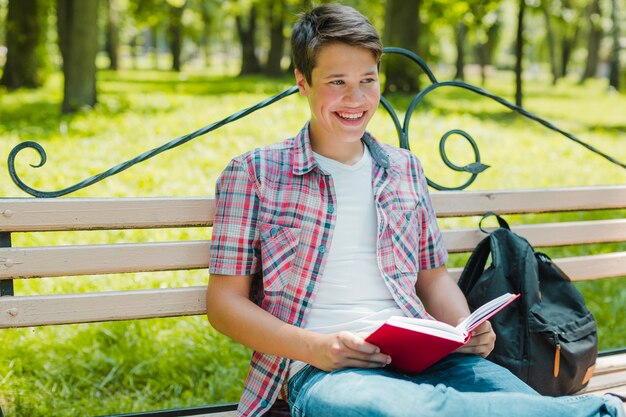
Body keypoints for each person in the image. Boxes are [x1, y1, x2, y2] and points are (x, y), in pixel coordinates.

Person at [207, 3, 625, 417]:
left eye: (368, 80)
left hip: (425, 356)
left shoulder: (404, 170)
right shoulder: (256, 174)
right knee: (421, 411)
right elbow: (225, 304)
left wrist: (466, 329)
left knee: (512, 405)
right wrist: (314, 347)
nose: (356, 98)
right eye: (337, 82)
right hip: (323, 369)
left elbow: (434, 278)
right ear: (303, 82)